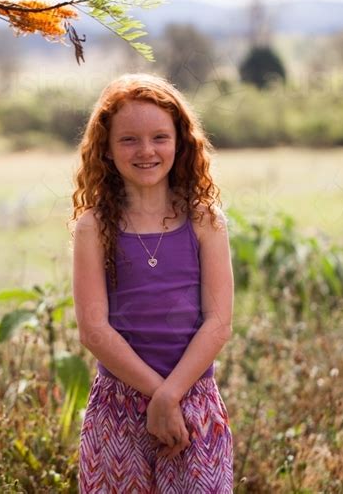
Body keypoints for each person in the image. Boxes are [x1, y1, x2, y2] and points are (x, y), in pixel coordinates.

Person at [72, 73, 234, 493]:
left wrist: (171, 396)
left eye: (159, 137)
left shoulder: (204, 219)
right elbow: (93, 329)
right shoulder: (93, 226)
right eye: (129, 140)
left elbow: (218, 323)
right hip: (118, 407)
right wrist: (156, 395)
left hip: (193, 400)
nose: (146, 150)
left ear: (180, 142)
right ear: (106, 149)